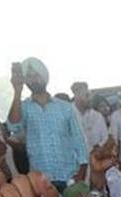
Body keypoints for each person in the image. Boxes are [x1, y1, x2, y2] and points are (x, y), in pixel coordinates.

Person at [7, 58, 87, 187]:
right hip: (41, 181)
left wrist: (81, 175)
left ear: (45, 76)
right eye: (29, 76)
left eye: (37, 75)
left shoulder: (65, 107)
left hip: (70, 177)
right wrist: (17, 91)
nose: (33, 80)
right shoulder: (24, 107)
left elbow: (79, 142)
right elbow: (13, 126)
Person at [70, 82, 109, 151]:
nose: (90, 99)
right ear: (77, 95)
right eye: (87, 96)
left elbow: (105, 139)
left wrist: (96, 150)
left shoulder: (97, 116)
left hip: (96, 158)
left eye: (90, 95)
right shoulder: (67, 114)